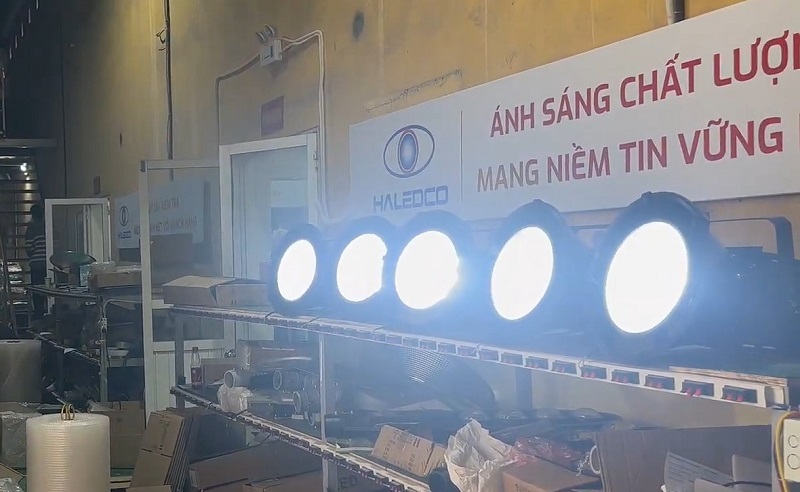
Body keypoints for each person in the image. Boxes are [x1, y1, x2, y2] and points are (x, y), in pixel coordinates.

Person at [25, 204, 46, 318]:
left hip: (36, 265)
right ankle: (49, 312)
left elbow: (29, 247)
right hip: (48, 265)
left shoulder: (31, 229)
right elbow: (56, 244)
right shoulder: (49, 225)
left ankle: (39, 315)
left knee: (37, 291)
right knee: (49, 290)